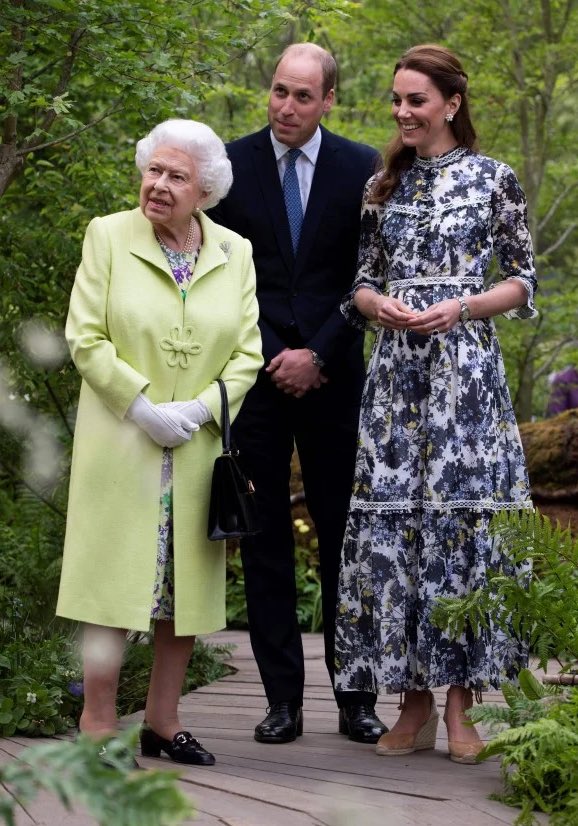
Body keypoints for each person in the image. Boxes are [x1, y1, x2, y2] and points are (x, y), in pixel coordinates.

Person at [334, 44, 538, 764]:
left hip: (465, 381)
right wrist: (375, 304)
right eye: (396, 99)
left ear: (451, 103)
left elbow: (522, 281)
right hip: (396, 386)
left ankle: (459, 707)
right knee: (400, 538)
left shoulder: (494, 180)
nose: (401, 112)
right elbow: (359, 282)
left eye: (414, 100)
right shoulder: (381, 186)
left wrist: (465, 306)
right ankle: (410, 704)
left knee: (458, 532)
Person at [56, 119, 263, 766]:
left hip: (197, 450)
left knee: (180, 592)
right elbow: (84, 337)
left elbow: (248, 352)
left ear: (204, 190)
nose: (158, 185)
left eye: (176, 176)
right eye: (153, 170)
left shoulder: (236, 252)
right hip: (123, 442)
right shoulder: (108, 236)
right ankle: (95, 723)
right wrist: (142, 407)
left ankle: (162, 722)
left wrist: (201, 409)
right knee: (112, 587)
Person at [208, 43, 387, 744]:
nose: (285, 107)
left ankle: (356, 700)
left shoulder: (362, 167)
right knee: (266, 541)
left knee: (347, 535)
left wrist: (319, 350)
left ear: (329, 100)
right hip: (253, 377)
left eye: (302, 96)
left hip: (334, 374)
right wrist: (274, 352)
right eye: (279, 91)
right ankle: (281, 701)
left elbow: (369, 273)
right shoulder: (230, 164)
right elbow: (217, 273)